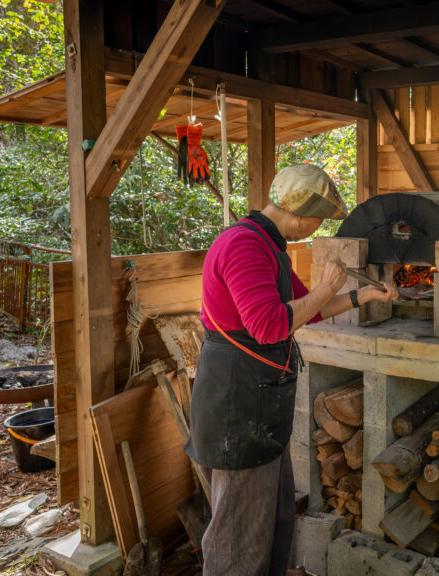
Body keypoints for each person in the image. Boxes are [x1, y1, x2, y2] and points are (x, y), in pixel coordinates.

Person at [185, 164, 397, 576]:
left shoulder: (270, 246)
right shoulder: (243, 248)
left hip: (261, 407)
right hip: (237, 409)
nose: (319, 228)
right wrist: (326, 286)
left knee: (274, 523)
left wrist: (363, 294)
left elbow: (307, 312)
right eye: (319, 219)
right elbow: (269, 327)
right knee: (238, 539)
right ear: (300, 213)